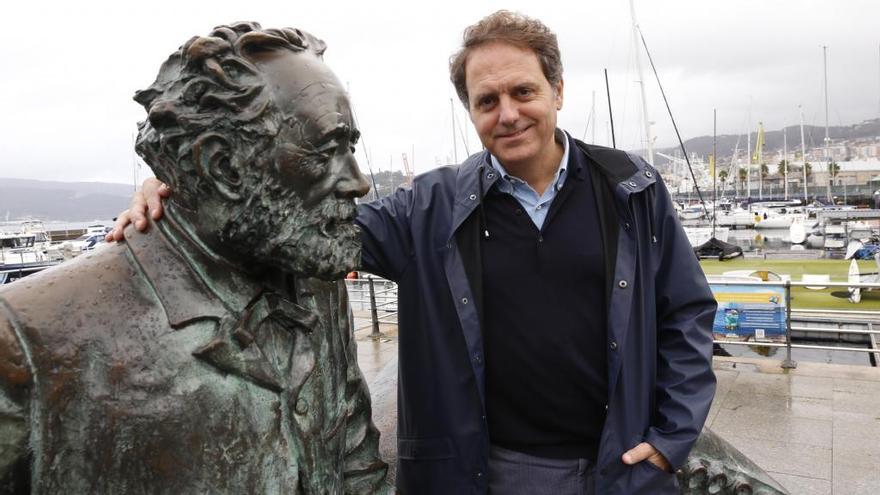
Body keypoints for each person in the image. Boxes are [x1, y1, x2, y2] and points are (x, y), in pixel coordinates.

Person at [114, 11, 717, 494]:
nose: (507, 114)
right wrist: (181, 189)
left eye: (523, 91)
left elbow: (686, 313)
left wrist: (672, 436)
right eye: (487, 101)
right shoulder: (428, 207)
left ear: (557, 90)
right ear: (470, 111)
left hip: (622, 461)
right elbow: (304, 226)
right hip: (494, 471)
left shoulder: (630, 188)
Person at [1, 22, 389, 494]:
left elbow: (356, 464)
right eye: (328, 150)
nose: (358, 181)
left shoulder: (317, 283)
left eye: (350, 148)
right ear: (221, 166)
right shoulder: (29, 336)